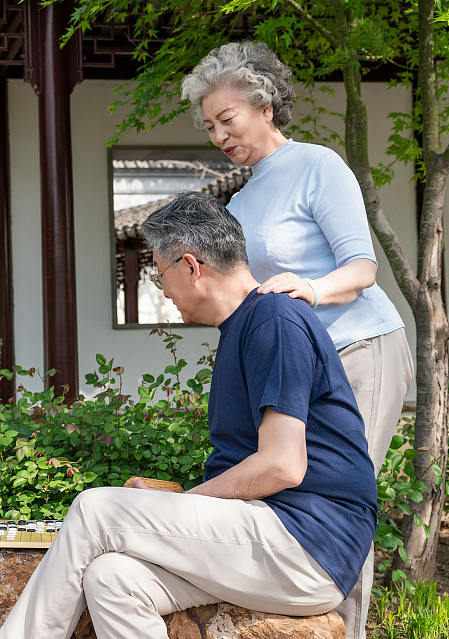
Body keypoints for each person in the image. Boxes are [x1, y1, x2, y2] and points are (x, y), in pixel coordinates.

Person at [0, 191, 377, 639]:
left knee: (94, 510)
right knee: (113, 578)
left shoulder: (275, 320)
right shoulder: (245, 326)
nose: (162, 290)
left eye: (159, 276)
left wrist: (174, 505)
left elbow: (282, 464)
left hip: (307, 542)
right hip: (270, 538)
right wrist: (164, 506)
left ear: (191, 267)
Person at [180, 41, 413, 638]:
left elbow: (363, 269)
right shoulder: (241, 198)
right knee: (289, 500)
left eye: (226, 119)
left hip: (358, 349)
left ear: (263, 106)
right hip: (296, 366)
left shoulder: (318, 165)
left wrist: (309, 290)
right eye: (210, 126)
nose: (219, 135)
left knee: (335, 502)